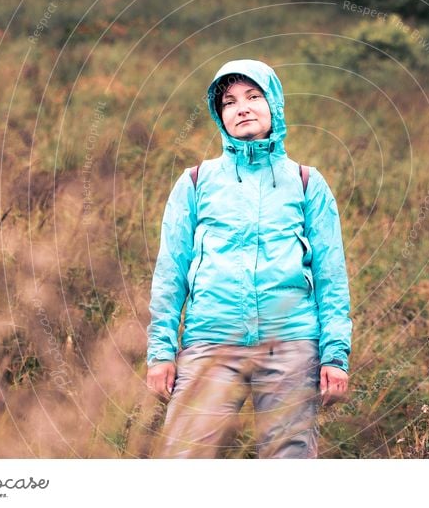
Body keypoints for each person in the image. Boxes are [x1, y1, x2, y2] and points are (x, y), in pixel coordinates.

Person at [146, 59, 352, 459]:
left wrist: (335, 355)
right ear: (219, 114)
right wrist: (161, 353)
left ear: (273, 103)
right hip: (211, 343)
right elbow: (170, 273)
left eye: (253, 96)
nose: (242, 107)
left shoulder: (307, 182)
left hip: (291, 345)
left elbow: (331, 276)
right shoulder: (195, 181)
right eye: (229, 101)